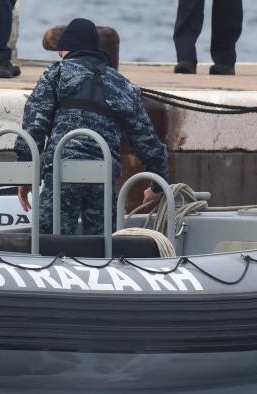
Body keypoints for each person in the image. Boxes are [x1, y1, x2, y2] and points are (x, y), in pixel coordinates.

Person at [15, 17, 168, 236]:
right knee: (103, 247)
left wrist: (24, 174)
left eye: (61, 52)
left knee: (48, 245)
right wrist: (157, 187)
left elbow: (33, 127)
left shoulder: (56, 74)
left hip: (61, 173)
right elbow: (148, 142)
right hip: (103, 176)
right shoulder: (123, 85)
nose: (61, 57)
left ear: (68, 49)